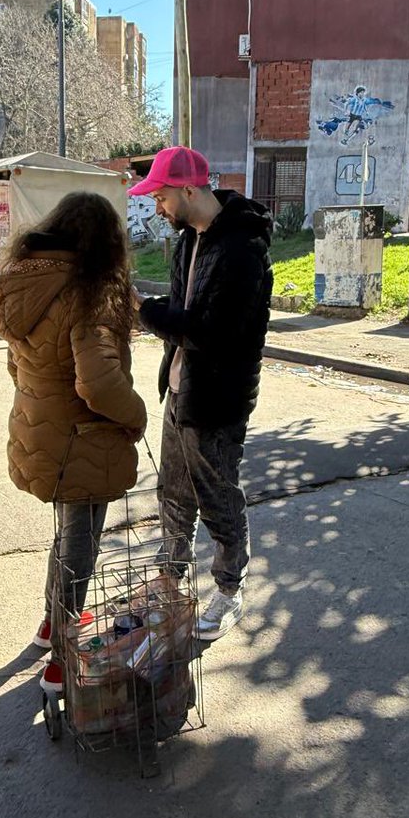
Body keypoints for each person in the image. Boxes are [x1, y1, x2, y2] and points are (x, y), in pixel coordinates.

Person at [0, 191, 147, 695]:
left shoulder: (25, 282)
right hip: (81, 438)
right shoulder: (87, 292)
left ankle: (50, 624)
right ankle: (61, 661)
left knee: (67, 536)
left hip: (40, 429)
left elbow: (17, 365)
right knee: (81, 542)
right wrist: (138, 415)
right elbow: (97, 384)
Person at [131, 147, 272, 641]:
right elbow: (182, 306)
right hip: (181, 391)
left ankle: (230, 591)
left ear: (189, 189)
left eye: (162, 196)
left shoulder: (242, 250)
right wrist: (155, 315)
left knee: (217, 498)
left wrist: (144, 313)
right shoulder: (190, 239)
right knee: (172, 493)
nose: (157, 207)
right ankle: (169, 579)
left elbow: (210, 331)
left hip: (218, 400)